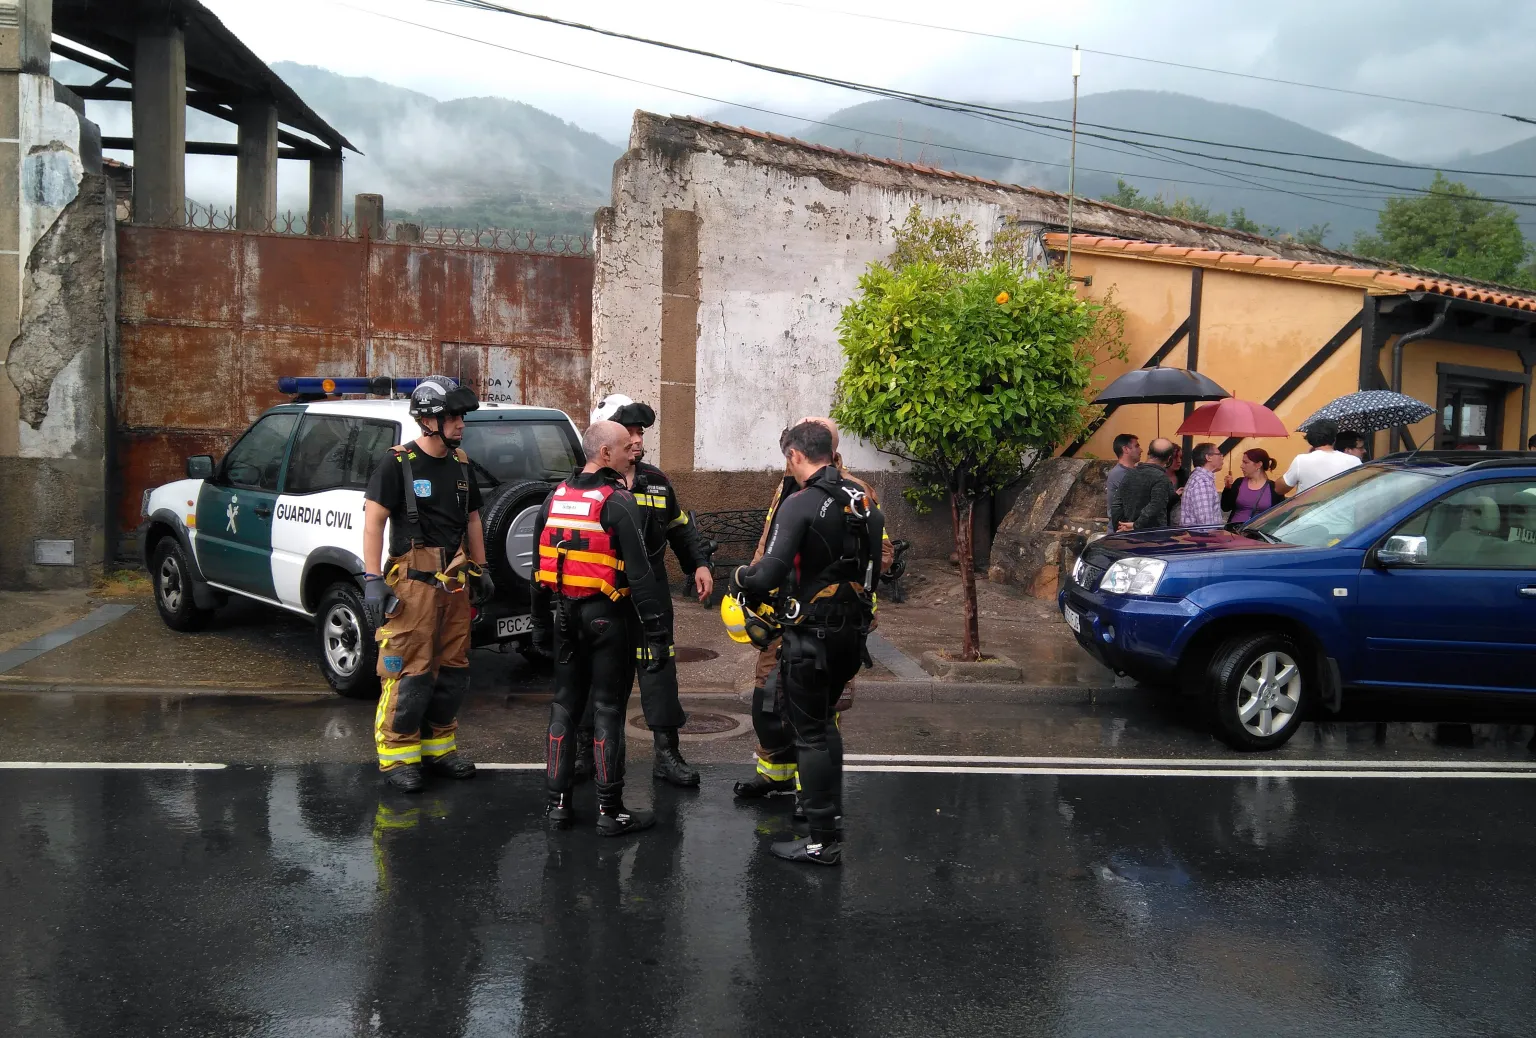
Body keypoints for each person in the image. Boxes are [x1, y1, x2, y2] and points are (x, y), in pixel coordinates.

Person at [731, 421, 884, 866]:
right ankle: (827, 826)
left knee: (811, 732)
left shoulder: (800, 503)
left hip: (810, 635)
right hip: (850, 635)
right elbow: (877, 569)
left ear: (796, 454)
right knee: (825, 725)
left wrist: (740, 580)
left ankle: (821, 841)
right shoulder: (863, 503)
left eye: (787, 457)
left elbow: (767, 572)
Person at [531, 421, 672, 836]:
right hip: (608, 619)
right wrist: (657, 631)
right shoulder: (617, 501)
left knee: (564, 706)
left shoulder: (554, 497)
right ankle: (610, 812)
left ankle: (558, 805)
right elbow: (642, 575)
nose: (635, 450)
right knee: (608, 707)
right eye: (627, 447)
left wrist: (540, 624)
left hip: (562, 617)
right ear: (605, 454)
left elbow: (538, 568)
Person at [572, 393, 714, 789]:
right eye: (629, 431)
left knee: (659, 672)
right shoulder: (585, 484)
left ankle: (667, 754)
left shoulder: (657, 481)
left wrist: (699, 563)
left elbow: (680, 528)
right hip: (601, 597)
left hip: (649, 595)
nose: (637, 439)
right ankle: (585, 752)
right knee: (595, 676)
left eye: (640, 431)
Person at [362, 375, 494, 794]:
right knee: (410, 672)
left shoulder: (461, 465)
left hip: (454, 582)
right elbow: (373, 521)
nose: (460, 424)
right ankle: (398, 756)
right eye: (451, 416)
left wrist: (482, 567)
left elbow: (473, 519)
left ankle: (439, 748)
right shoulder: (398, 463)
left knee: (452, 669)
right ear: (427, 420)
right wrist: (371, 579)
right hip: (413, 584)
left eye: (461, 416)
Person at [1110, 437, 1179, 531]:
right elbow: (1156, 506)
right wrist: (1136, 525)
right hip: (1151, 536)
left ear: (1149, 453)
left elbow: (1116, 504)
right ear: (1169, 458)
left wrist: (1120, 528)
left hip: (1126, 534)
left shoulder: (1130, 474)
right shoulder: (1161, 478)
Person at [1277, 418, 1360, 496]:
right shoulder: (1354, 461)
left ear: (1310, 440)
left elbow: (1279, 489)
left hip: (1310, 511)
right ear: (1334, 439)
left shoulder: (1301, 461)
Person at [1221, 448, 1287, 524]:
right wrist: (1227, 488)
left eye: (1245, 462)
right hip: (1234, 531)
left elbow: (1281, 515)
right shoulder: (1239, 482)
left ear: (1258, 465)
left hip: (1258, 533)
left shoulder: (1274, 487)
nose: (1241, 466)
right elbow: (1225, 508)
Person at [1180, 442, 1225, 528]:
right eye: (1219, 454)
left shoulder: (1200, 478)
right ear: (1208, 457)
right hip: (1203, 539)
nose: (1222, 457)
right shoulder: (1202, 482)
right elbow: (1206, 524)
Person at [1105, 433, 1141, 526]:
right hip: (1121, 530)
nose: (1141, 450)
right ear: (1125, 449)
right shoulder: (1119, 473)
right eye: (1136, 446)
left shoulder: (1134, 471)